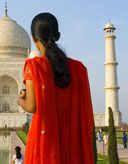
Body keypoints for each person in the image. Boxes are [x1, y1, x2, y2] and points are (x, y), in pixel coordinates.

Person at [17, 13, 95, 164]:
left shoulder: (34, 66)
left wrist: (20, 99)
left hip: (46, 142)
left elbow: (31, 106)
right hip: (72, 141)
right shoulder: (79, 69)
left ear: (33, 38)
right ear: (58, 35)